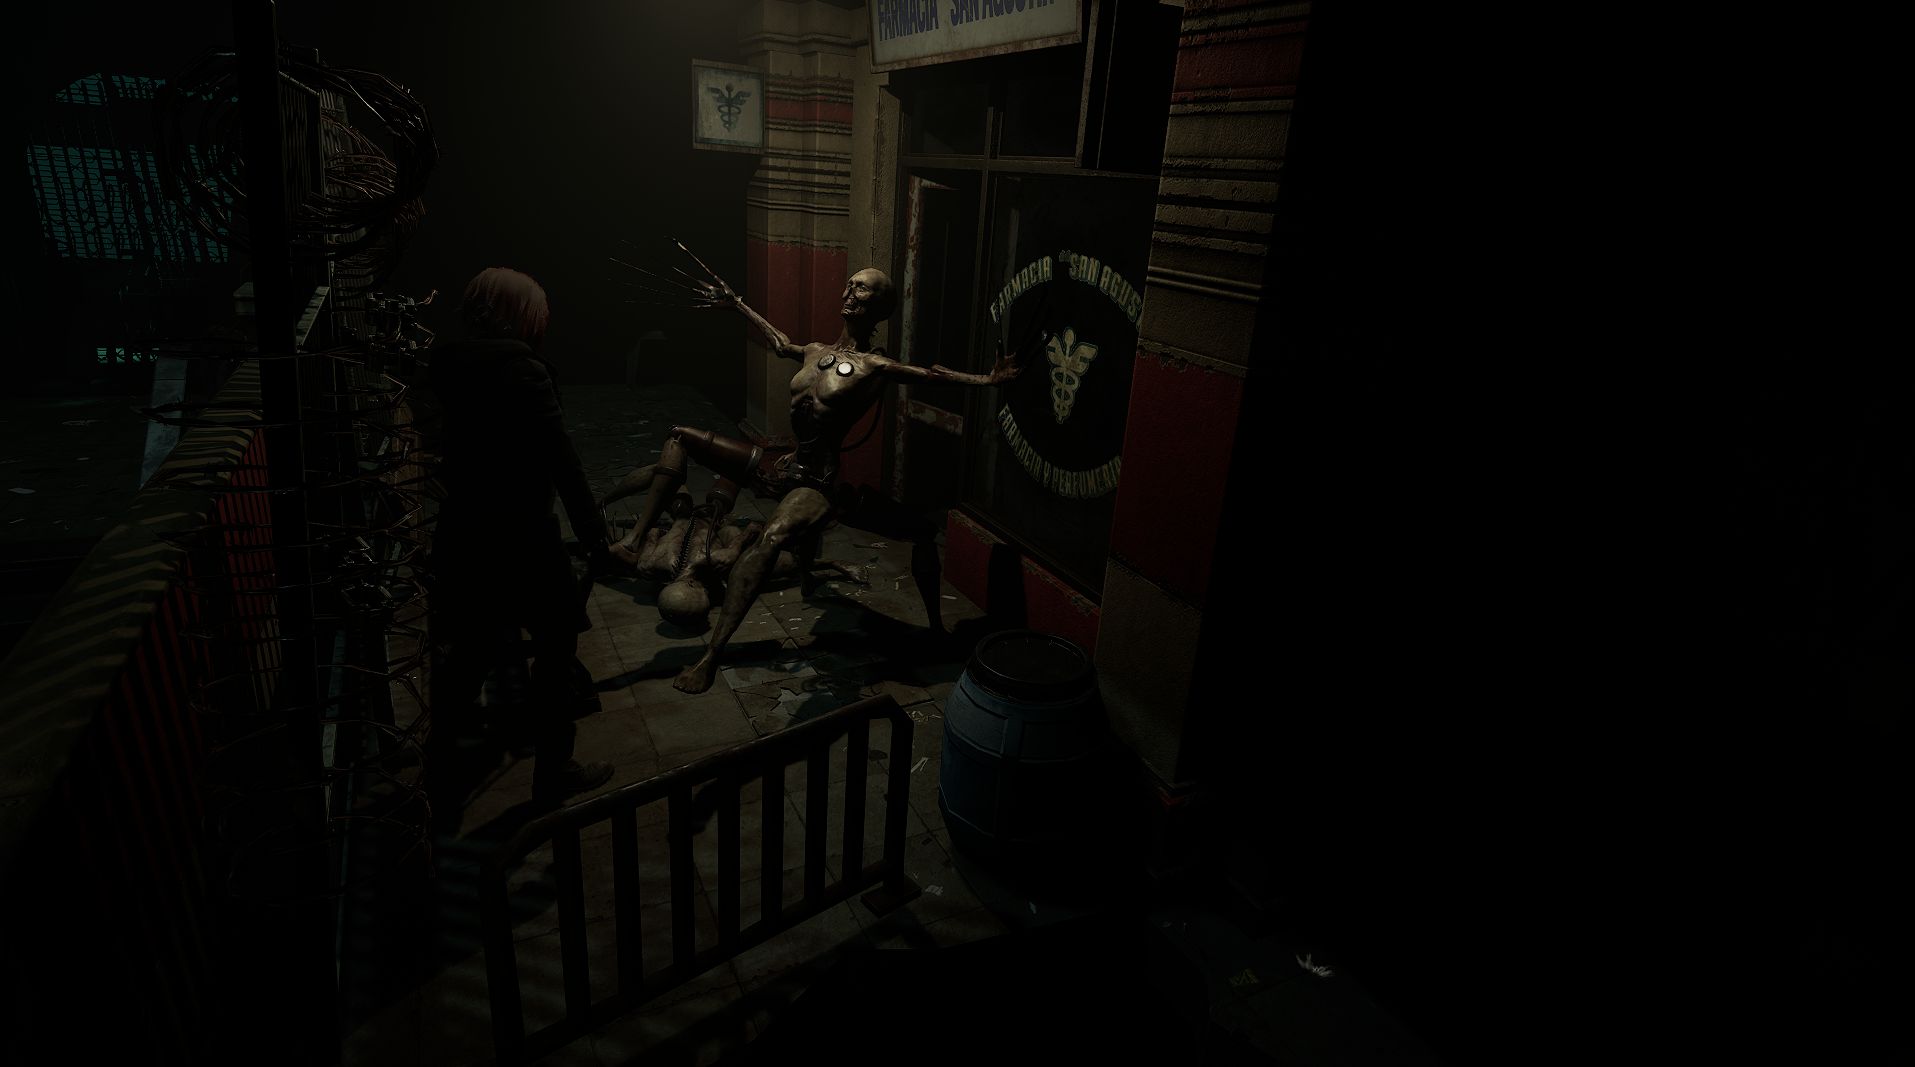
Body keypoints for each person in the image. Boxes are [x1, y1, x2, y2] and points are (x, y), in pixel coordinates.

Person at [606, 255, 1042, 693]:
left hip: (816, 483)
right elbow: (781, 342)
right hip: (783, 465)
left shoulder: (875, 366)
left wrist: (988, 381)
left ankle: (711, 656)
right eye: (849, 285)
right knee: (680, 437)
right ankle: (633, 542)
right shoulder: (816, 350)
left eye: (862, 288)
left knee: (771, 540)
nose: (850, 292)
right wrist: (737, 304)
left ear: (880, 306)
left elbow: (931, 375)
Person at [423, 266, 615, 814]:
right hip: (522, 538)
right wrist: (595, 537)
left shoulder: (447, 364)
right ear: (521, 316)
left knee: (471, 652)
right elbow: (561, 461)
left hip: (465, 531)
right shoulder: (522, 372)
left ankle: (437, 771)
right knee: (555, 651)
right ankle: (554, 773)